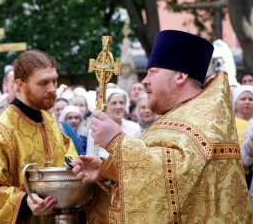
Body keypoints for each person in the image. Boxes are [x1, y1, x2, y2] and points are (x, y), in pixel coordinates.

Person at [73, 30, 252, 223]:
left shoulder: (205, 121)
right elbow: (166, 173)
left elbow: (176, 173)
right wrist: (108, 169)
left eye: (153, 72)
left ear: (180, 76)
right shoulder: (180, 114)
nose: (145, 81)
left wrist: (117, 142)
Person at [0, 50, 78, 223]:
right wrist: (25, 202)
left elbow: (71, 164)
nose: (52, 89)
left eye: (54, 81)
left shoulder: (51, 123)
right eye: (43, 83)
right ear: (20, 84)